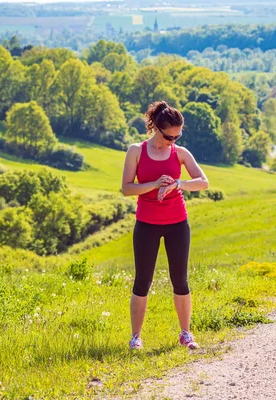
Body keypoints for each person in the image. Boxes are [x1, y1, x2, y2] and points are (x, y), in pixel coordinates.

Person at [121, 100, 209, 350]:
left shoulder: (180, 153)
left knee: (180, 280)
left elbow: (203, 182)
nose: (175, 140)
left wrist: (178, 184)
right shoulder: (136, 151)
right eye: (171, 136)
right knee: (142, 281)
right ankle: (136, 337)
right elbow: (127, 188)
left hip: (177, 223)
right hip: (146, 223)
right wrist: (155, 184)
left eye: (178, 135)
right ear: (156, 130)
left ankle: (185, 334)